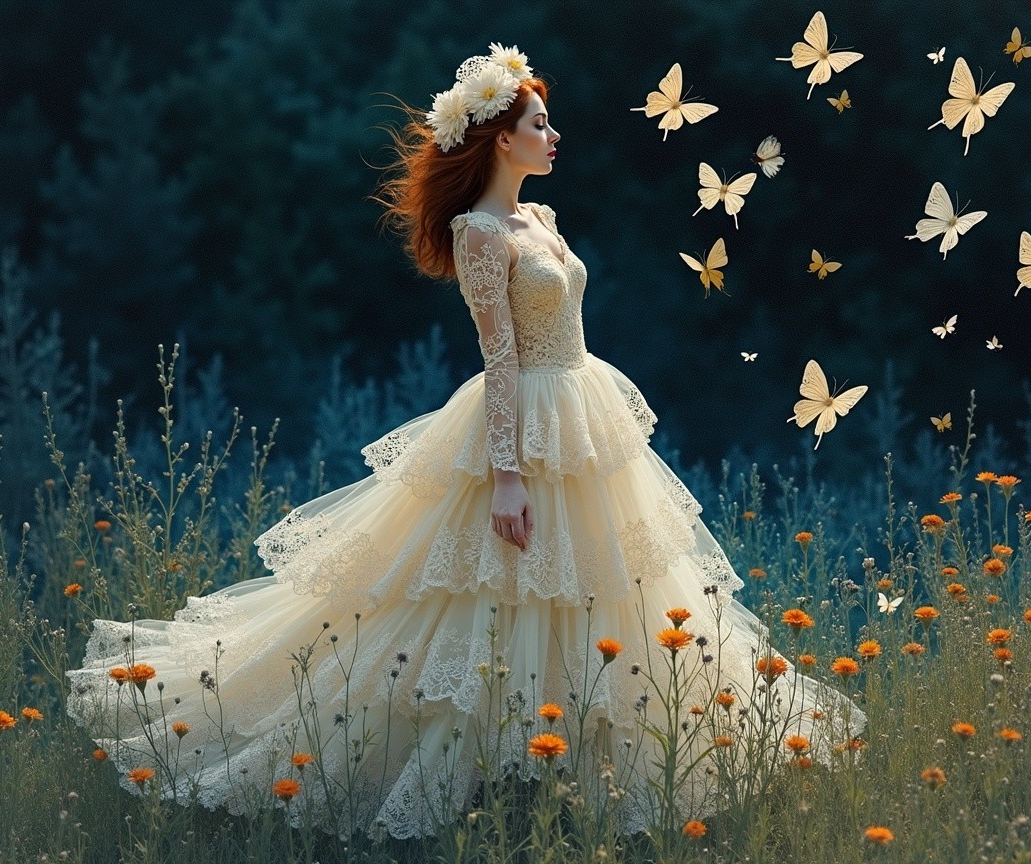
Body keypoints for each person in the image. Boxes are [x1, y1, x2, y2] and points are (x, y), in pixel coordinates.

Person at [67, 44, 864, 840]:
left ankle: (570, 780)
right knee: (492, 595)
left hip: (582, 413)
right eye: (539, 124)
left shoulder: (541, 219)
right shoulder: (480, 234)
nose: (554, 136)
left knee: (597, 589)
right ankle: (485, 782)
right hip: (521, 416)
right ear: (499, 139)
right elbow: (500, 356)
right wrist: (507, 476)